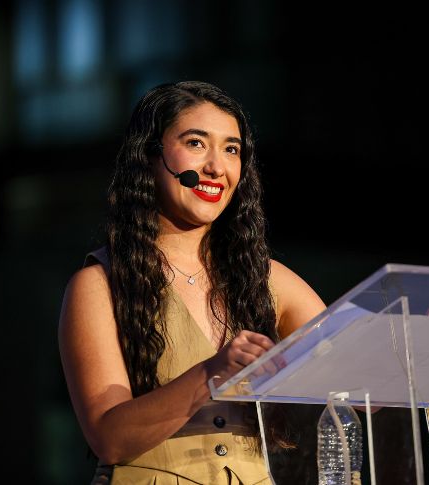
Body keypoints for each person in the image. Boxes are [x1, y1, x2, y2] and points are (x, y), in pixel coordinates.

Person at [57, 81, 328, 485]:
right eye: (197, 143)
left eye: (231, 149)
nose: (216, 167)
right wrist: (211, 373)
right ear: (150, 155)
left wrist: (424, 345)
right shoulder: (98, 285)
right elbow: (108, 438)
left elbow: (357, 381)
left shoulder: (267, 278)